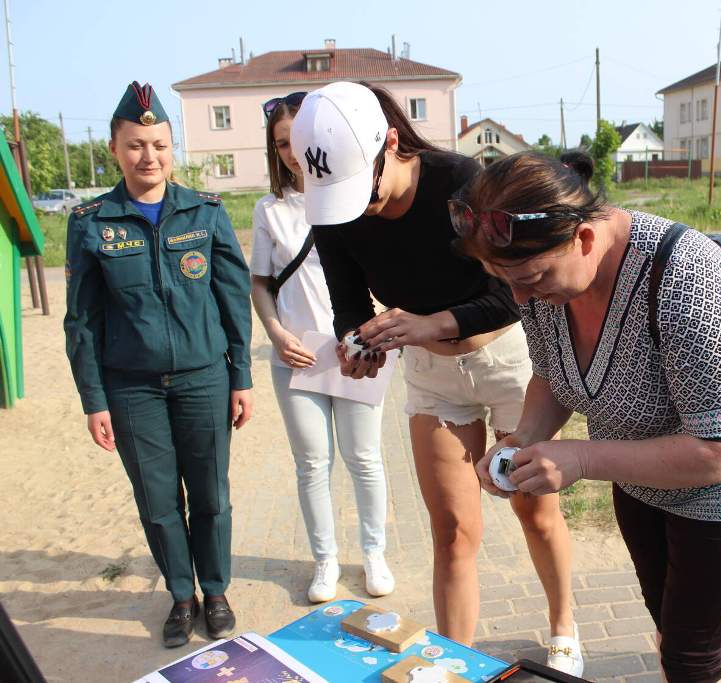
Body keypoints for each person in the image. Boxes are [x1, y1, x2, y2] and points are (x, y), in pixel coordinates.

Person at [456, 151, 721, 683]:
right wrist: (522, 437)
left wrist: (582, 458)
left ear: (584, 239)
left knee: (691, 656)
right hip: (638, 475)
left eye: (531, 277)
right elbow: (552, 374)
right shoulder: (546, 278)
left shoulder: (688, 278)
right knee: (667, 625)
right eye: (504, 281)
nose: (520, 297)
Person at [289, 81, 583, 675]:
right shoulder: (334, 206)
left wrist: (432, 323)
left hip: (507, 362)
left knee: (534, 511)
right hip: (431, 375)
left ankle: (563, 625)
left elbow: (514, 292)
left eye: (360, 189)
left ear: (391, 142)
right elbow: (348, 298)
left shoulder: (461, 183)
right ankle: (454, 663)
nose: (354, 209)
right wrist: (356, 343)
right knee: (451, 532)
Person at [63, 81, 253, 648]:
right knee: (158, 500)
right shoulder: (92, 222)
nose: (150, 157)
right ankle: (180, 596)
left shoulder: (205, 211)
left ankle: (215, 590)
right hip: (131, 389)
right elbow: (82, 322)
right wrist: (93, 398)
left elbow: (232, 300)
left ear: (174, 148)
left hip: (203, 379)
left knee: (211, 495)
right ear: (115, 149)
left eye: (160, 144)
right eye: (136, 145)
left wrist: (240, 376)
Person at [249, 91, 393, 603]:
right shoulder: (270, 210)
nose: (293, 152)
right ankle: (326, 561)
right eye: (282, 143)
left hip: (355, 348)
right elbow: (261, 282)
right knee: (312, 463)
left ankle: (374, 555)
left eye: (299, 140)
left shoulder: (354, 197)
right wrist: (276, 334)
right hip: (299, 356)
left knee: (364, 457)